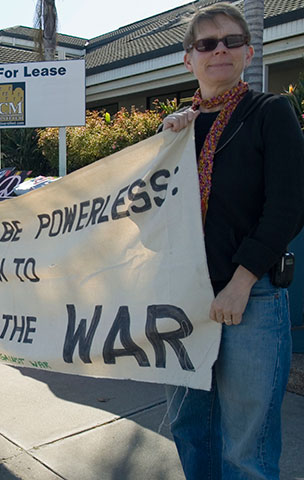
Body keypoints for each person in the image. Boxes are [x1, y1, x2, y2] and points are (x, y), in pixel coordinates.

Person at [161, 4, 304, 479]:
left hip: (252, 299)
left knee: (247, 445)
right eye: (206, 43)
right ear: (189, 59)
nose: (218, 49)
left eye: (230, 41)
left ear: (249, 51)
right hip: (183, 302)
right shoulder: (175, 133)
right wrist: (164, 150)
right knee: (189, 426)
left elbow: (288, 208)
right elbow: (149, 218)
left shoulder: (271, 114)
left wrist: (241, 282)